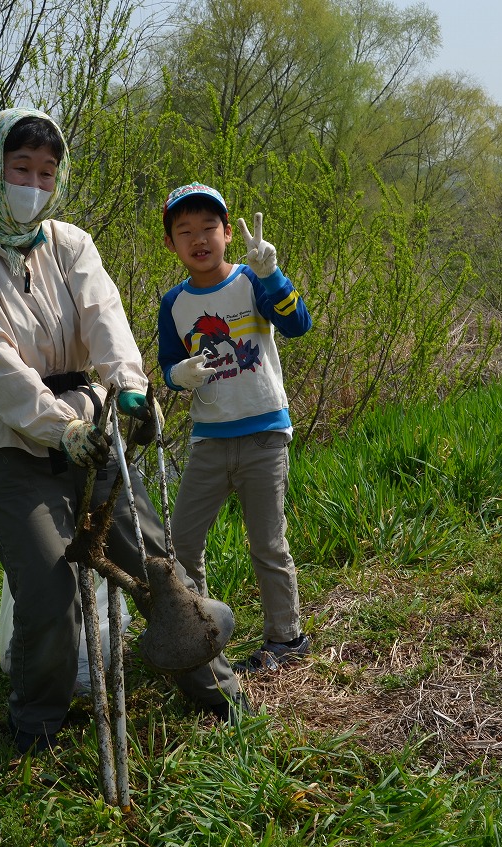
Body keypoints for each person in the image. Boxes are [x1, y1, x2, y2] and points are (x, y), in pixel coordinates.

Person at [0, 111, 245, 754]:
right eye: (21, 169)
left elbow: (105, 318)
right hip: (11, 442)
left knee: (155, 558)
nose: (34, 184)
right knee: (47, 583)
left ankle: (212, 685)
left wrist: (129, 384)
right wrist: (59, 427)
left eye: (47, 173)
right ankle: (37, 723)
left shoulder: (71, 243)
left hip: (95, 429)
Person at [157, 182, 314, 673]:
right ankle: (200, 632)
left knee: (267, 541)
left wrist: (275, 277)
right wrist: (176, 376)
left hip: (265, 433)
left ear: (228, 233)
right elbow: (167, 364)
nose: (198, 239)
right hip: (208, 439)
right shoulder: (174, 304)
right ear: (171, 245)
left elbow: (297, 326)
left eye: (208, 228)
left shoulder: (251, 282)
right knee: (180, 543)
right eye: (185, 231)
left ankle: (286, 638)